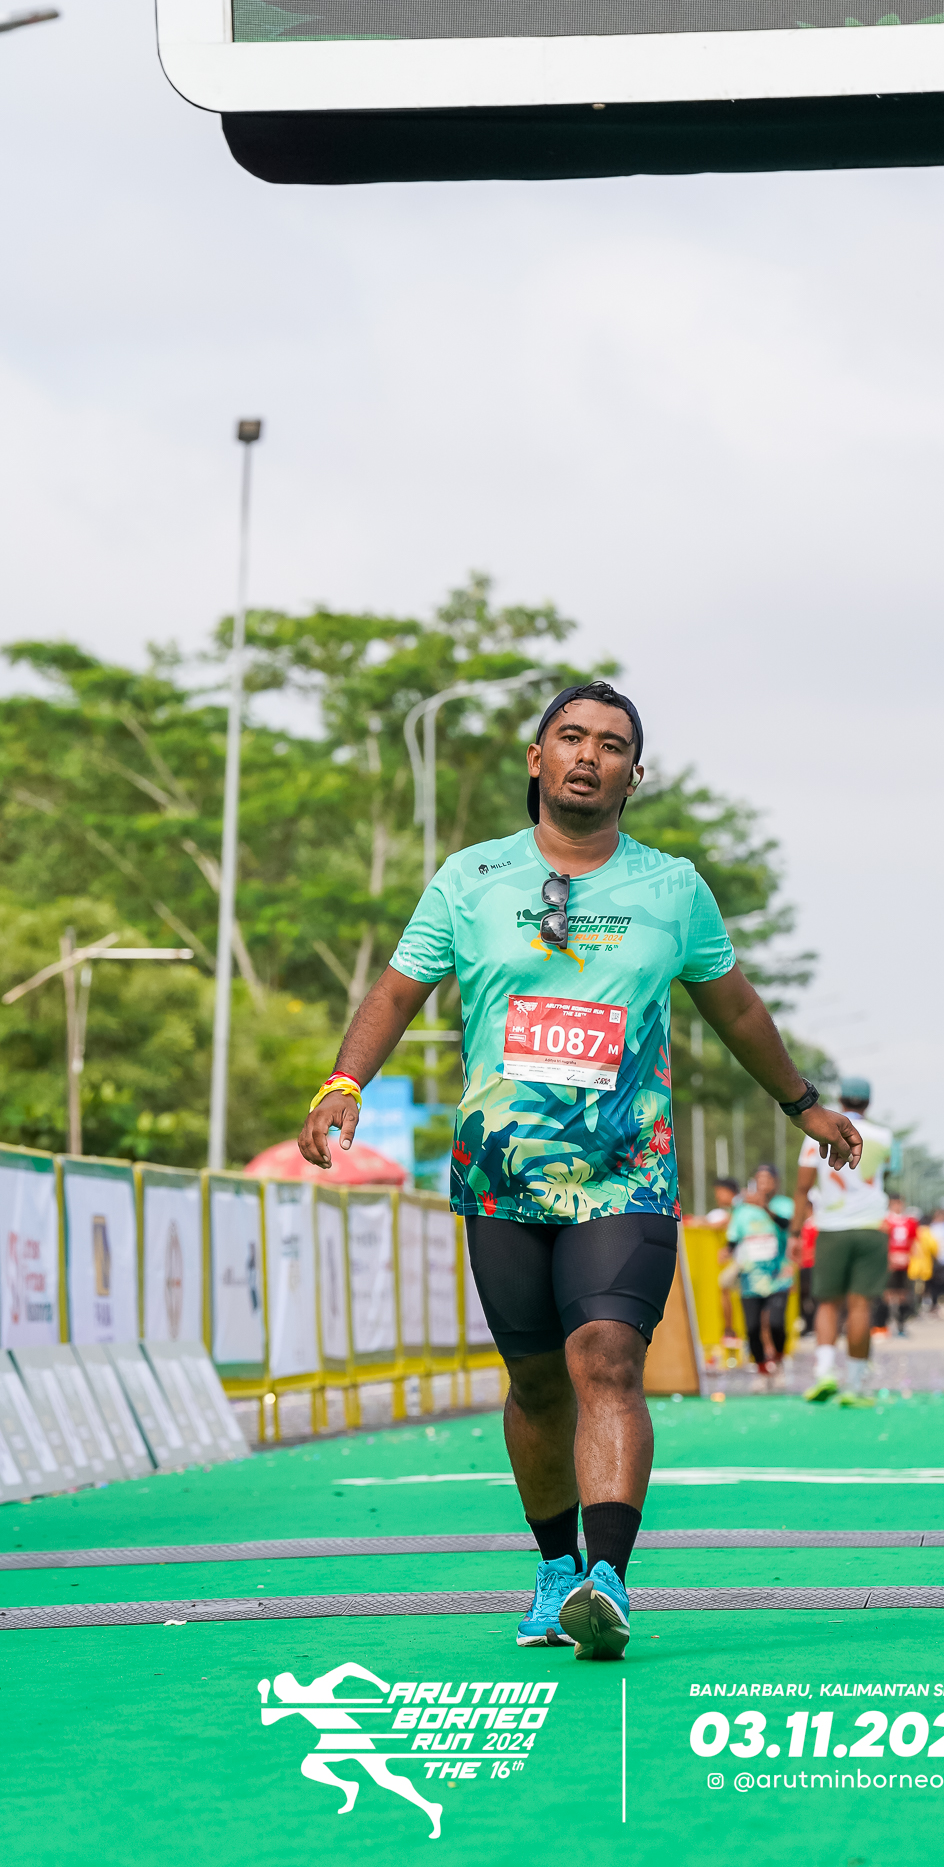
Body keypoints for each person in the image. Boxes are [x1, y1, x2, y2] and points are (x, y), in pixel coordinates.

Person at [296, 679, 860, 1664]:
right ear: (537, 758)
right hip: (501, 1174)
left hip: (625, 1172)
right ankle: (556, 1568)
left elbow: (734, 1006)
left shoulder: (672, 888)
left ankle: (608, 1578)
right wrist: (343, 1081)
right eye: (570, 737)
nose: (588, 755)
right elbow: (395, 992)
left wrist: (799, 1102)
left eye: (610, 744)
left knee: (605, 1356)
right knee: (535, 1381)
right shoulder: (469, 879)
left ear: (633, 776)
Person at [790, 1079, 892, 1405]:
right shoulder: (885, 1137)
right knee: (860, 1305)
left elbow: (802, 1188)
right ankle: (856, 1385)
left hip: (831, 1227)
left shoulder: (816, 1132)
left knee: (827, 1303)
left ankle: (825, 1374)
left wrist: (794, 1233)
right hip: (871, 1227)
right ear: (868, 1103)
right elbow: (884, 1176)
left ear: (840, 1099)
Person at [723, 1163, 793, 1387]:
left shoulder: (784, 1205)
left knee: (776, 1323)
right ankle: (762, 1370)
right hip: (750, 1279)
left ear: (776, 1183)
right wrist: (727, 1250)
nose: (763, 1184)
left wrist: (765, 1208)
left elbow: (787, 1225)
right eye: (759, 1179)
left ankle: (779, 1362)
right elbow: (733, 1238)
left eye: (768, 1179)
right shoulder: (743, 1211)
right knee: (752, 1327)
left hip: (778, 1276)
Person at [883, 1193, 921, 1336]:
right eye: (895, 1203)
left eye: (900, 1203)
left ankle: (901, 1325)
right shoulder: (885, 1221)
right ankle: (883, 1324)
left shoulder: (910, 1222)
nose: (898, 1206)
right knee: (887, 1293)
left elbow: (914, 1242)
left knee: (903, 1294)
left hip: (904, 1263)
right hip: (889, 1263)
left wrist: (912, 1258)